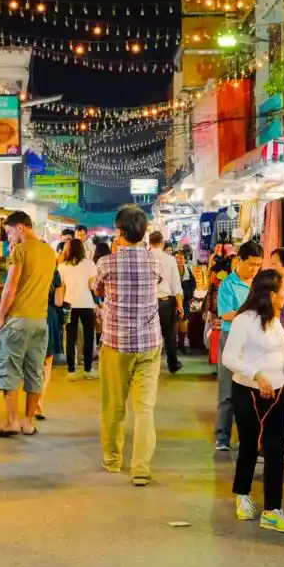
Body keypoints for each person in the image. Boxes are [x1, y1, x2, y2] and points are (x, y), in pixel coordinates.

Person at [221, 269, 284, 533]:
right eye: (282, 289)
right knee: (249, 446)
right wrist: (256, 375)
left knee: (275, 450)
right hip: (249, 393)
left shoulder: (275, 319)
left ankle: (272, 510)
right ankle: (242, 495)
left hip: (277, 392)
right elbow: (229, 358)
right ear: (270, 293)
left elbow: (278, 352)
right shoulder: (245, 320)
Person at [96, 205, 162, 486]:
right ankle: (141, 468)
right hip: (149, 343)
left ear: (120, 232)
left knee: (114, 405)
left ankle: (113, 460)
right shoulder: (155, 262)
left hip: (116, 342)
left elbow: (98, 289)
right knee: (144, 408)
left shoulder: (106, 264)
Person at [0, 210, 56, 437]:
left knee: (8, 369)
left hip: (17, 320)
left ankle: (12, 422)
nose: (10, 237)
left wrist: (0, 317)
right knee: (34, 371)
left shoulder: (20, 251)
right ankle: (28, 423)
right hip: (40, 321)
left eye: (10, 231)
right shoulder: (50, 252)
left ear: (20, 227)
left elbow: (10, 287)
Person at [214, 240, 263, 451]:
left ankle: (248, 436)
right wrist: (251, 311)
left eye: (258, 264)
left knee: (250, 389)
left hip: (255, 340)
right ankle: (222, 437)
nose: (254, 269)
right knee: (227, 390)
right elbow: (225, 314)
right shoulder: (228, 284)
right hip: (231, 338)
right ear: (239, 261)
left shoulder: (260, 282)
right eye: (251, 264)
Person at [59, 238, 98, 380]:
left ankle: (71, 371)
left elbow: (62, 289)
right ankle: (88, 370)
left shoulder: (62, 266)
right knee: (88, 337)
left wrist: (61, 305)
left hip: (68, 304)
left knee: (70, 338)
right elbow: (92, 286)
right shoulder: (89, 264)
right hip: (87, 304)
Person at [149, 231, 184, 373]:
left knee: (150, 336)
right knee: (169, 334)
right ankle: (172, 365)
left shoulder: (145, 258)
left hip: (148, 303)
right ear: (162, 243)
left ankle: (150, 366)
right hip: (166, 303)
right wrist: (180, 306)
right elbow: (177, 285)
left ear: (149, 243)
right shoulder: (169, 260)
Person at [36, 268, 64, 421]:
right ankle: (39, 400)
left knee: (33, 363)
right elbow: (58, 302)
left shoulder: (29, 269)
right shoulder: (54, 273)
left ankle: (36, 401)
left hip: (32, 315)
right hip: (50, 317)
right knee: (47, 364)